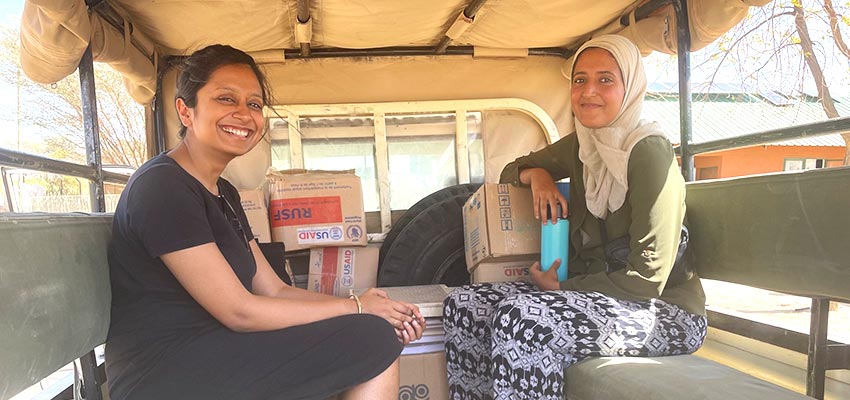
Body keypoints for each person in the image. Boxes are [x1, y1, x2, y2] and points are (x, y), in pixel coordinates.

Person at [106, 44, 426, 400]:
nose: (244, 114)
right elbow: (239, 311)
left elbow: (274, 290)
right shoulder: (163, 187)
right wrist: (359, 309)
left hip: (217, 349)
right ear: (185, 110)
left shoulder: (223, 192)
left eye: (254, 104)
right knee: (372, 339)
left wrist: (364, 308)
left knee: (372, 334)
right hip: (163, 372)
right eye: (226, 99)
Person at [443, 35, 707, 400]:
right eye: (580, 80)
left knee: (525, 319)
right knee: (465, 306)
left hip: (665, 315)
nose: (589, 92)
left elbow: (646, 280)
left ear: (629, 86)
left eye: (605, 79)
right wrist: (539, 176)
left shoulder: (648, 152)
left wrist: (561, 290)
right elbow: (512, 169)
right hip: (601, 299)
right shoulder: (585, 144)